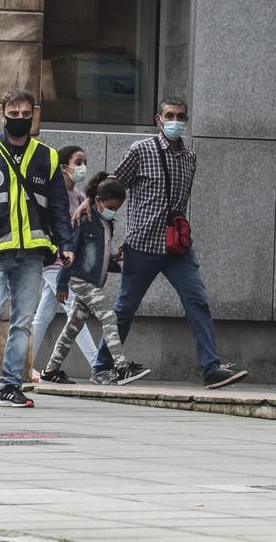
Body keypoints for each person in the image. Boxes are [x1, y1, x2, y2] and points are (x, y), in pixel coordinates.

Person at [75, 97, 247, 389]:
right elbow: (114, 184)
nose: (175, 121)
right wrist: (90, 201)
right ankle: (102, 365)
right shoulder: (141, 150)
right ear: (158, 119)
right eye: (169, 115)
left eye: (180, 116)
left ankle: (211, 368)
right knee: (125, 308)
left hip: (177, 247)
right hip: (143, 244)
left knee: (198, 302)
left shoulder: (190, 157)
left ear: (186, 120)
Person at [0, 88, 74, 408]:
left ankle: (10, 385)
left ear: (34, 114)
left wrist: (65, 243)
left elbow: (59, 206)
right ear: (3, 113)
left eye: (25, 114)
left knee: (22, 321)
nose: (20, 119)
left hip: (32, 252)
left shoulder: (47, 156)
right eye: (14, 114)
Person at [47, 173, 149, 385]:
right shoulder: (85, 220)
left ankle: (51, 369)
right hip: (80, 280)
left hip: (93, 282)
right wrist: (62, 283)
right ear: (98, 201)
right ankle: (120, 366)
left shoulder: (107, 224)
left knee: (71, 328)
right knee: (109, 316)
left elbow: (97, 255)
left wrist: (115, 258)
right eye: (111, 206)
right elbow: (70, 252)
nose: (114, 211)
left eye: (118, 208)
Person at [30, 145, 98, 383]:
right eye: (78, 162)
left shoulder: (79, 196)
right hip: (53, 261)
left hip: (68, 264)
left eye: (84, 161)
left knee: (44, 315)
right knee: (74, 311)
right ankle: (98, 366)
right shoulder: (52, 195)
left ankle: (23, 363)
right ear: (63, 167)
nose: (82, 167)